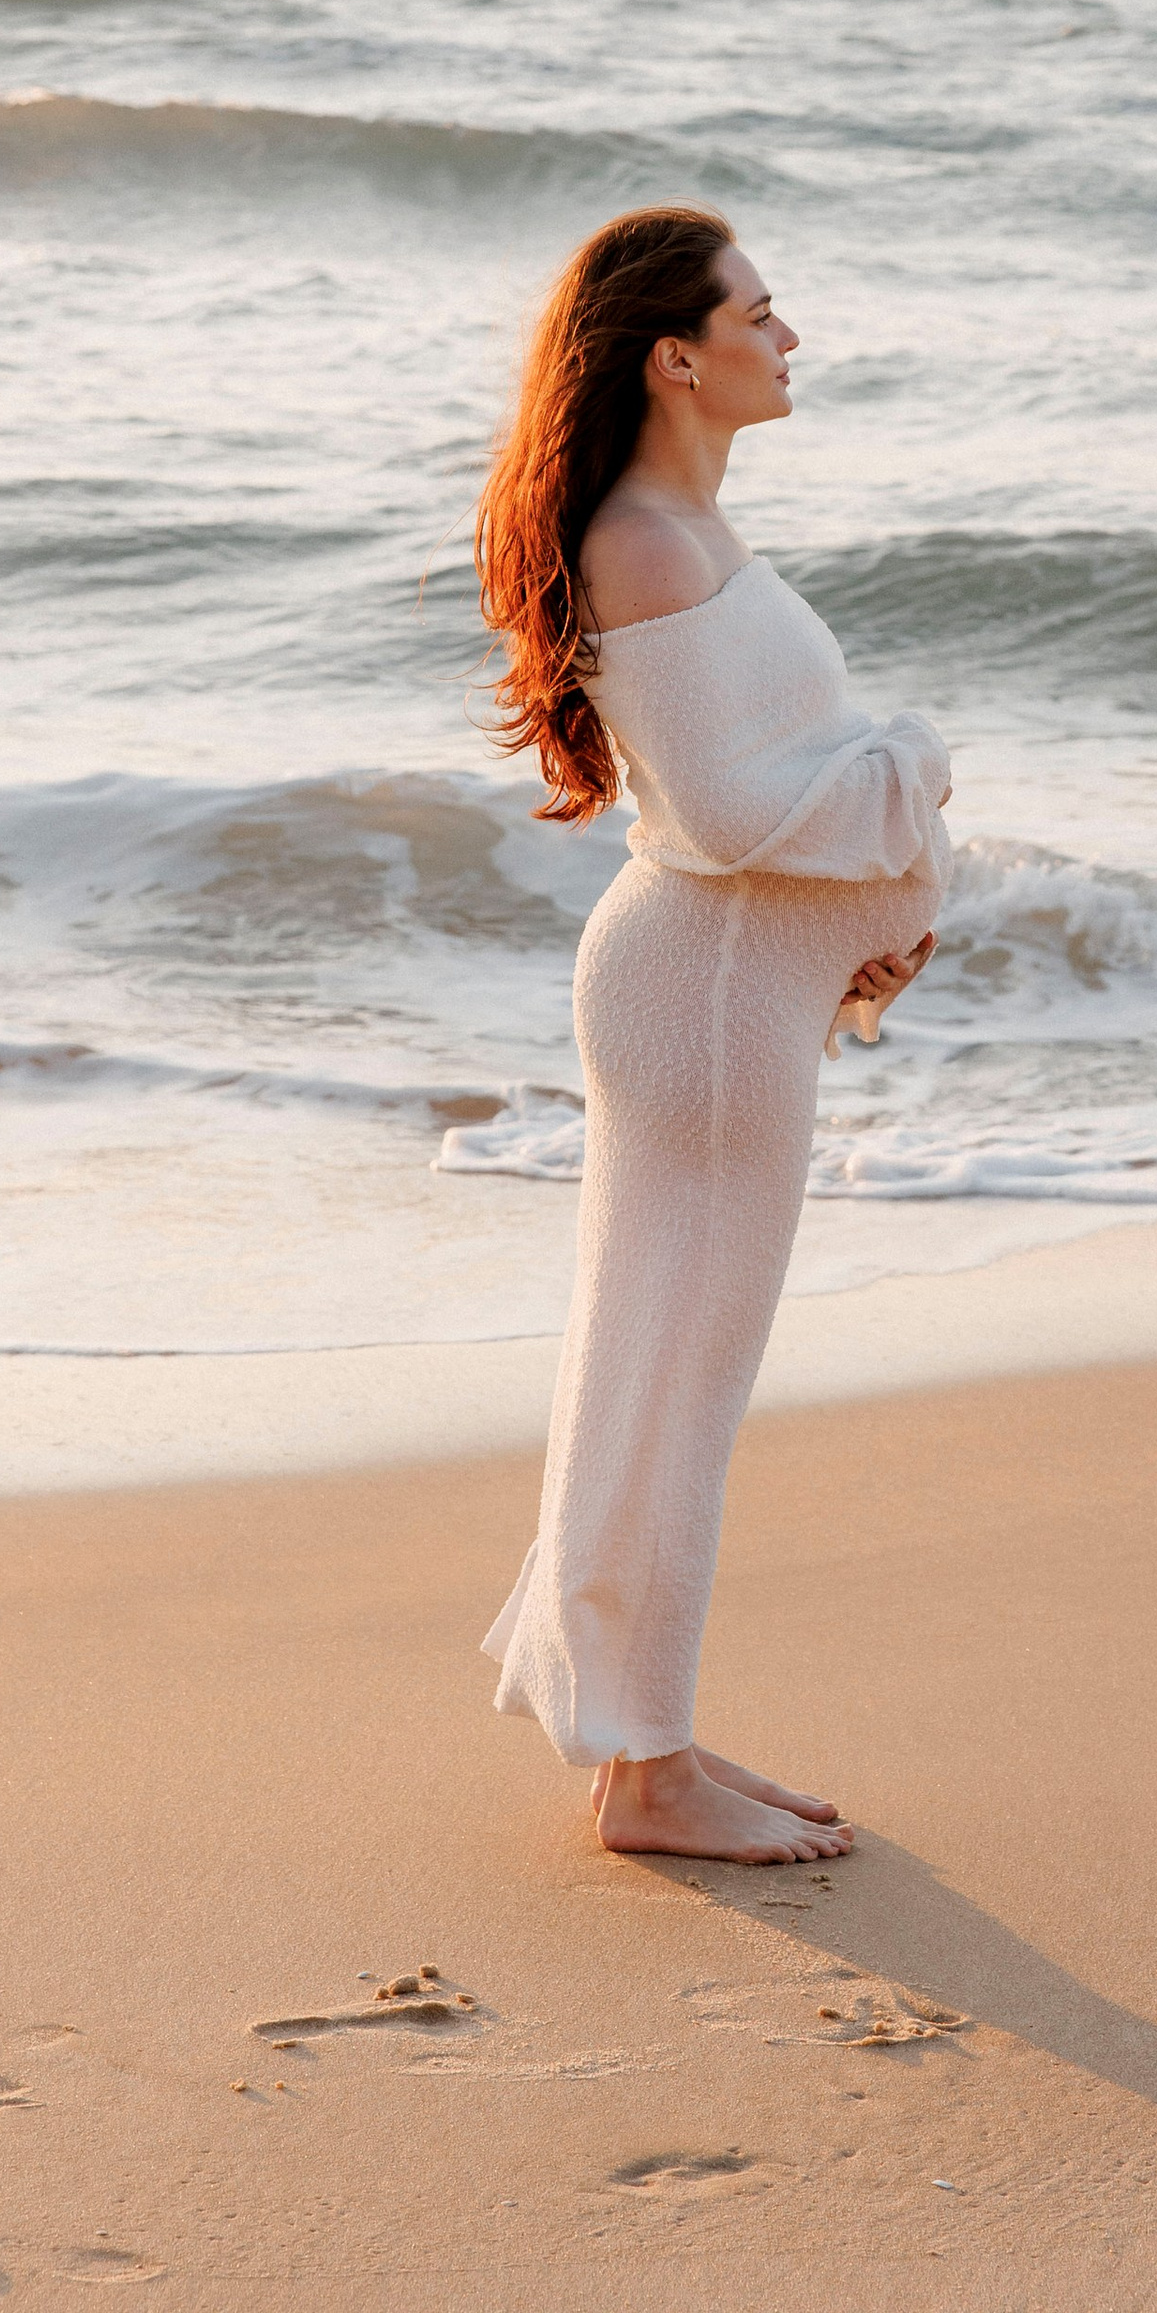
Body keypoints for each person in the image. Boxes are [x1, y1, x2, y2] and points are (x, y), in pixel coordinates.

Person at [471, 205, 950, 1862]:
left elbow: (742, 816)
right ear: (679, 354)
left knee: (670, 1373)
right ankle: (647, 1774)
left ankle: (646, 1742)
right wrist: (914, 774)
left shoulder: (685, 529)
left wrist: (867, 925)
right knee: (673, 1380)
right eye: (762, 310)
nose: (789, 336)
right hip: (702, 1003)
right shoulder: (651, 544)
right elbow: (744, 818)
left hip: (730, 994)